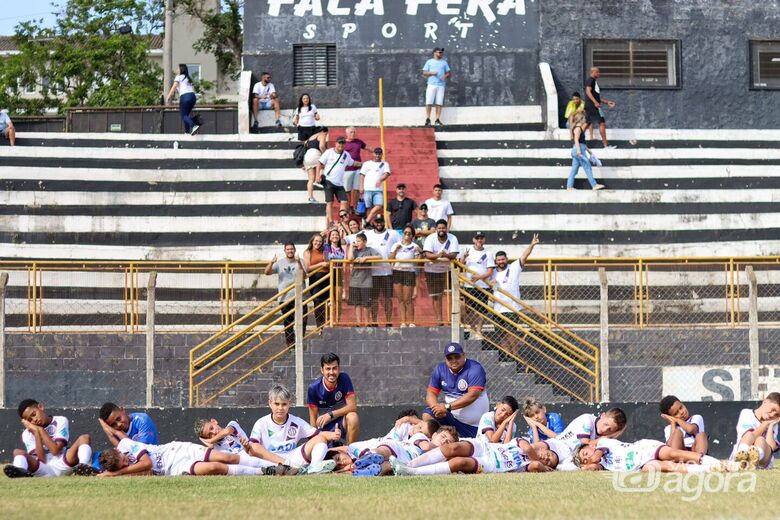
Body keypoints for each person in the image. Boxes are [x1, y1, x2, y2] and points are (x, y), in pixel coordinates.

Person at [247, 384, 341, 473]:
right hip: (271, 460)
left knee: (320, 439)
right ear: (270, 403)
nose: (280, 408)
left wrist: (333, 435)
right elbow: (252, 447)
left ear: (289, 404)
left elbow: (318, 435)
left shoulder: (296, 422)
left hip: (292, 458)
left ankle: (314, 469)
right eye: (277, 404)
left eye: (284, 404)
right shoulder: (261, 423)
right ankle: (291, 468)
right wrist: (285, 462)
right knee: (254, 446)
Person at [99, 436, 280, 477]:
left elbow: (146, 463)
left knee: (226, 457)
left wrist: (116, 473)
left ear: (118, 451)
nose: (127, 462)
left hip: (177, 450)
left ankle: (276, 465)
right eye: (124, 465)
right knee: (212, 468)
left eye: (124, 458)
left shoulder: (126, 445)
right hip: (174, 468)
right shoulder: (122, 470)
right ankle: (265, 472)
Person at [4, 399, 96, 478]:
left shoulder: (60, 420)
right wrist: (36, 433)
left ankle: (83, 467)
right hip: (43, 468)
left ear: (40, 407)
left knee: (84, 438)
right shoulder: (27, 434)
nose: (34, 420)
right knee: (17, 452)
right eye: (30, 420)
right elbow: (42, 460)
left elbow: (55, 451)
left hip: (63, 461)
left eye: (34, 414)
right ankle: (21, 473)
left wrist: (41, 430)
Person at [422, 342, 489, 438]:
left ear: (463, 355)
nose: (453, 361)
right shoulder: (440, 369)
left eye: (457, 357)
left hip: (475, 428)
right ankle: (430, 444)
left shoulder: (474, 368)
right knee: (428, 414)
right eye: (449, 358)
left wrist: (446, 407)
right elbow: (431, 392)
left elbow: (473, 395)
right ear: (445, 359)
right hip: (452, 420)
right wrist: (436, 408)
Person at [392, 437, 557, 475]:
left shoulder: (527, 466)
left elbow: (535, 466)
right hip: (485, 447)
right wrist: (539, 459)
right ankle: (409, 464)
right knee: (453, 447)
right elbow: (528, 448)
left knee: (459, 463)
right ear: (543, 446)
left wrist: (546, 468)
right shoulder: (523, 442)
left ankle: (411, 472)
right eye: (548, 454)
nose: (546, 458)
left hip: (492, 464)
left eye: (549, 461)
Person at [490, 235, 540, 356]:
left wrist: (532, 245)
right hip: (497, 309)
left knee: (512, 334)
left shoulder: (513, 267)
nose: (501, 262)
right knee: (501, 335)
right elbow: (492, 287)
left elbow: (524, 256)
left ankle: (515, 356)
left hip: (512, 308)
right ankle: (507, 356)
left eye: (503, 259)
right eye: (499, 260)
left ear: (506, 259)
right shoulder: (492, 273)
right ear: (496, 261)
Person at [351, 423, 455, 477]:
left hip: (405, 462)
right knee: (384, 451)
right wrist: (443, 449)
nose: (445, 441)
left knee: (387, 466)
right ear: (434, 435)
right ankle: (370, 456)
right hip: (401, 449)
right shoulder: (422, 436)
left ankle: (365, 472)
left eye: (449, 442)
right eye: (443, 436)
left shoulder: (441, 457)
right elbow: (425, 447)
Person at [574, 438, 726, 474]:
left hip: (644, 449)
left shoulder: (602, 444)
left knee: (673, 454)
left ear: (591, 446)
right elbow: (593, 467)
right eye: (584, 460)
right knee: (665, 466)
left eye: (585, 453)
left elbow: (595, 457)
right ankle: (708, 469)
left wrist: (590, 460)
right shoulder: (603, 465)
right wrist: (585, 465)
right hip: (641, 465)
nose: (588, 458)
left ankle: (710, 461)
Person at [307, 353, 361, 445]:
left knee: (353, 417)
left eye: (334, 368)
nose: (331, 372)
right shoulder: (313, 388)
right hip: (324, 428)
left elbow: (352, 407)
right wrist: (313, 442)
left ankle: (350, 451)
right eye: (328, 369)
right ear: (322, 370)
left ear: (339, 369)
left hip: (341, 423)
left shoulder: (344, 378)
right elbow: (313, 419)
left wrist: (330, 414)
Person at [264, 243, 305, 347]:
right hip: (285, 297)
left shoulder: (301, 261)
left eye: (292, 249)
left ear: (295, 250)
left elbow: (304, 275)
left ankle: (300, 342)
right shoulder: (279, 263)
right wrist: (271, 262)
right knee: (288, 323)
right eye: (288, 249)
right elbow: (267, 272)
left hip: (300, 296)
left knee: (302, 320)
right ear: (285, 251)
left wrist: (299, 262)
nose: (290, 251)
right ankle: (291, 345)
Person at [318, 136, 361, 229]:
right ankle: (330, 222)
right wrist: (318, 175)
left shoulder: (346, 154)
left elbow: (353, 163)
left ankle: (342, 219)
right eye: (339, 143)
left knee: (344, 201)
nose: (341, 145)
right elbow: (320, 163)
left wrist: (364, 164)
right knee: (330, 202)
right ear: (336, 143)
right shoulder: (329, 152)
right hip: (329, 180)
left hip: (339, 183)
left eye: (342, 143)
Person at [730, 392, 780, 470]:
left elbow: (771, 448)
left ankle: (754, 459)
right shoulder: (747, 413)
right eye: (772, 410)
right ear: (765, 402)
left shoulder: (774, 424)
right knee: (749, 434)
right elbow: (750, 436)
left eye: (777, 415)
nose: (773, 415)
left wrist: (770, 426)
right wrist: (765, 424)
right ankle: (742, 457)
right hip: (743, 450)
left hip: (762, 462)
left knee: (761, 440)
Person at [365, 214, 400, 326]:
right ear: (373, 222)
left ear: (384, 222)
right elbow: (355, 241)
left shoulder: (393, 233)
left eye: (381, 221)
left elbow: (402, 244)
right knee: (373, 298)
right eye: (377, 221)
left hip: (387, 272)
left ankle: (388, 321)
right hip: (372, 272)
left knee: (388, 298)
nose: (379, 223)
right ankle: (374, 321)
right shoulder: (367, 234)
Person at [423, 219, 459, 325]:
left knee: (450, 295)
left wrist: (445, 255)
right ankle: (439, 320)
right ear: (436, 229)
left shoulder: (453, 238)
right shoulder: (430, 238)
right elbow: (428, 255)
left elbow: (453, 255)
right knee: (436, 296)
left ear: (446, 228)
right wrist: (439, 255)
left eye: (443, 228)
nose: (441, 230)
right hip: (432, 271)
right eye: (439, 228)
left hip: (448, 270)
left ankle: (451, 320)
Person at [459, 232, 495, 337]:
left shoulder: (488, 253)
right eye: (477, 238)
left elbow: (490, 271)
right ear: (473, 240)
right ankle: (473, 329)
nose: (479, 240)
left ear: (484, 240)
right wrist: (464, 258)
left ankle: (479, 330)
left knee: (481, 310)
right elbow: (460, 265)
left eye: (481, 238)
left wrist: (478, 277)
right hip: (469, 285)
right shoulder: (467, 250)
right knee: (469, 309)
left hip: (483, 286)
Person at [390, 224, 422, 327]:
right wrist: (396, 250)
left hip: (409, 272)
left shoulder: (414, 246)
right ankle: (403, 322)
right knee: (400, 299)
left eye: (409, 233)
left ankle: (411, 321)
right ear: (402, 234)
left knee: (408, 299)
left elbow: (418, 261)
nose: (407, 235)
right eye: (405, 233)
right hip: (397, 271)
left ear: (412, 235)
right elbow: (390, 258)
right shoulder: (396, 245)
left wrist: (420, 252)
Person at [347, 232, 381, 325]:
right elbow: (349, 259)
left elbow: (379, 257)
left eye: (359, 241)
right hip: (355, 281)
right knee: (357, 303)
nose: (357, 243)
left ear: (364, 242)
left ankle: (366, 323)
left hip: (366, 281)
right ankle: (358, 323)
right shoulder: (354, 251)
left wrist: (366, 258)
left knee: (366, 304)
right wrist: (351, 246)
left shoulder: (369, 250)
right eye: (356, 241)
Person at [567, 111, 604, 191]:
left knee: (574, 169)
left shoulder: (579, 128)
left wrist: (589, 151)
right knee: (587, 167)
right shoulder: (578, 128)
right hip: (578, 150)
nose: (585, 120)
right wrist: (579, 151)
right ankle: (594, 185)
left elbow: (581, 142)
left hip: (579, 148)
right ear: (580, 119)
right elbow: (576, 140)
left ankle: (569, 186)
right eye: (583, 118)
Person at [584, 67, 617, 149]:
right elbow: (588, 92)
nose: (599, 74)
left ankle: (576, 140)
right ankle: (605, 145)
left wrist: (606, 102)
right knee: (601, 122)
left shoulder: (593, 81)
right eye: (598, 72)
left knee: (587, 123)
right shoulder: (590, 80)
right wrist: (595, 102)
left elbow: (596, 96)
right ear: (594, 72)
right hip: (592, 106)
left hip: (591, 105)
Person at [359, 147, 392, 224]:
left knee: (379, 205)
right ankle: (369, 224)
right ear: (373, 154)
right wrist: (361, 186)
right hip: (367, 189)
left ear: (382, 154)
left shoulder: (384, 164)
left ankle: (366, 221)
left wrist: (380, 180)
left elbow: (387, 173)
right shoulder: (366, 164)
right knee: (368, 208)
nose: (378, 155)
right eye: (376, 153)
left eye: (379, 154)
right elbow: (362, 175)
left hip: (378, 190)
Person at [303, 233, 329, 329]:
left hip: (327, 278)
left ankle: (328, 325)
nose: (318, 243)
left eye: (320, 241)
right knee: (318, 303)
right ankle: (320, 327)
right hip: (315, 279)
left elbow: (328, 261)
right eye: (316, 241)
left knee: (327, 303)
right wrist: (321, 264)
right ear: (312, 241)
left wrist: (326, 244)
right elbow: (307, 268)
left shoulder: (325, 250)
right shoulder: (308, 252)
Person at [165, 64, 199, 135]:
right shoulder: (188, 78)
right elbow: (193, 89)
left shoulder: (178, 77)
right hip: (192, 97)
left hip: (185, 96)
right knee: (186, 115)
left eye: (178, 68)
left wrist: (168, 96)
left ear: (181, 70)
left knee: (184, 115)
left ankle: (193, 125)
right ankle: (187, 132)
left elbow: (174, 87)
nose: (177, 70)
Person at [421, 47, 451, 127]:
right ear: (434, 53)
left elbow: (448, 73)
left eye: (441, 52)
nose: (441, 54)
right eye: (439, 52)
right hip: (431, 84)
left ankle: (437, 119)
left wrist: (445, 76)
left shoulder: (444, 63)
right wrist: (431, 73)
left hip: (441, 85)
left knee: (439, 103)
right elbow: (424, 73)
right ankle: (428, 119)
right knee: (429, 102)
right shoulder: (429, 62)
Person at [343, 127, 369, 210]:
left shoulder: (358, 142)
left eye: (354, 132)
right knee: (347, 190)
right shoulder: (343, 143)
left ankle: (355, 206)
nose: (353, 134)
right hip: (347, 170)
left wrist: (376, 151)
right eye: (351, 132)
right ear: (347, 133)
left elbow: (367, 147)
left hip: (358, 169)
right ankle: (348, 207)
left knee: (357, 189)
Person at [302, 127, 328, 204]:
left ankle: (311, 197)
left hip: (307, 157)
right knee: (326, 167)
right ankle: (319, 180)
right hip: (315, 154)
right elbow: (321, 146)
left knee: (310, 179)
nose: (326, 135)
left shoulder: (310, 138)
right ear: (324, 131)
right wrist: (326, 154)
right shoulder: (322, 135)